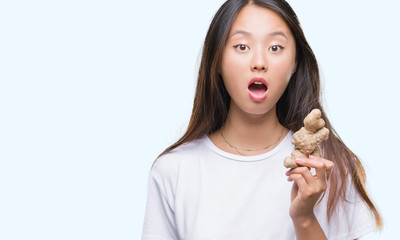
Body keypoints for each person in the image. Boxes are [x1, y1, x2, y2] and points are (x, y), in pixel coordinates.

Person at [141, 0, 382, 239]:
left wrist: (304, 217)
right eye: (242, 46)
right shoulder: (173, 170)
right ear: (217, 60)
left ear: (295, 62)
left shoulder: (327, 166)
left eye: (275, 47)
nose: (259, 63)